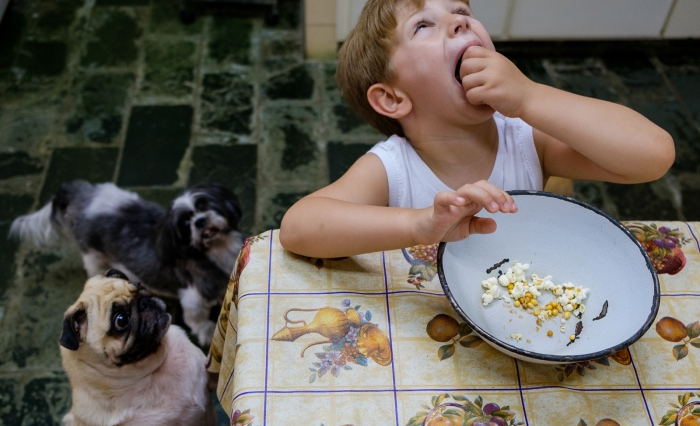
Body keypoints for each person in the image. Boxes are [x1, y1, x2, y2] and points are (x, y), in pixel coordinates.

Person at [279, 0, 675, 258]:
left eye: (462, 11)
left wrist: (531, 98)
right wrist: (418, 225)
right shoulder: (393, 169)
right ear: (393, 98)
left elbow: (653, 156)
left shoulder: (526, 139)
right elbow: (298, 227)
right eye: (423, 26)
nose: (459, 21)